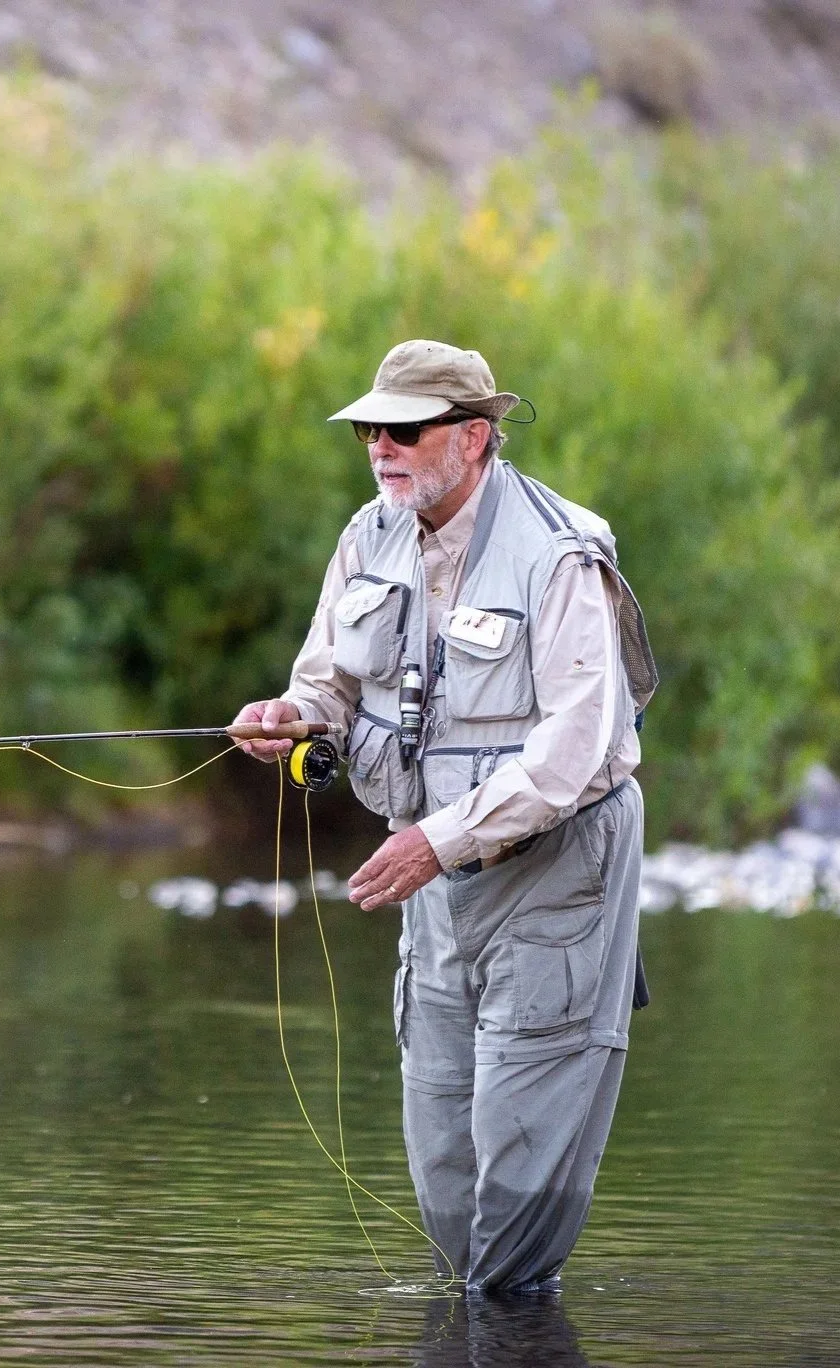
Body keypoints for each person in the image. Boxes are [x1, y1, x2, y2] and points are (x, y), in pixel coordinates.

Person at [234, 339, 657, 1293]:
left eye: (405, 429)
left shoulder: (558, 555)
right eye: (369, 430)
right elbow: (327, 685)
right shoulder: (367, 534)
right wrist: (289, 721)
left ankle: (508, 1330)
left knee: (518, 1170)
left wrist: (438, 840)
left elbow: (576, 749)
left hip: (560, 874)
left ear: (472, 438)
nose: (381, 446)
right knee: (444, 1163)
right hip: (433, 876)